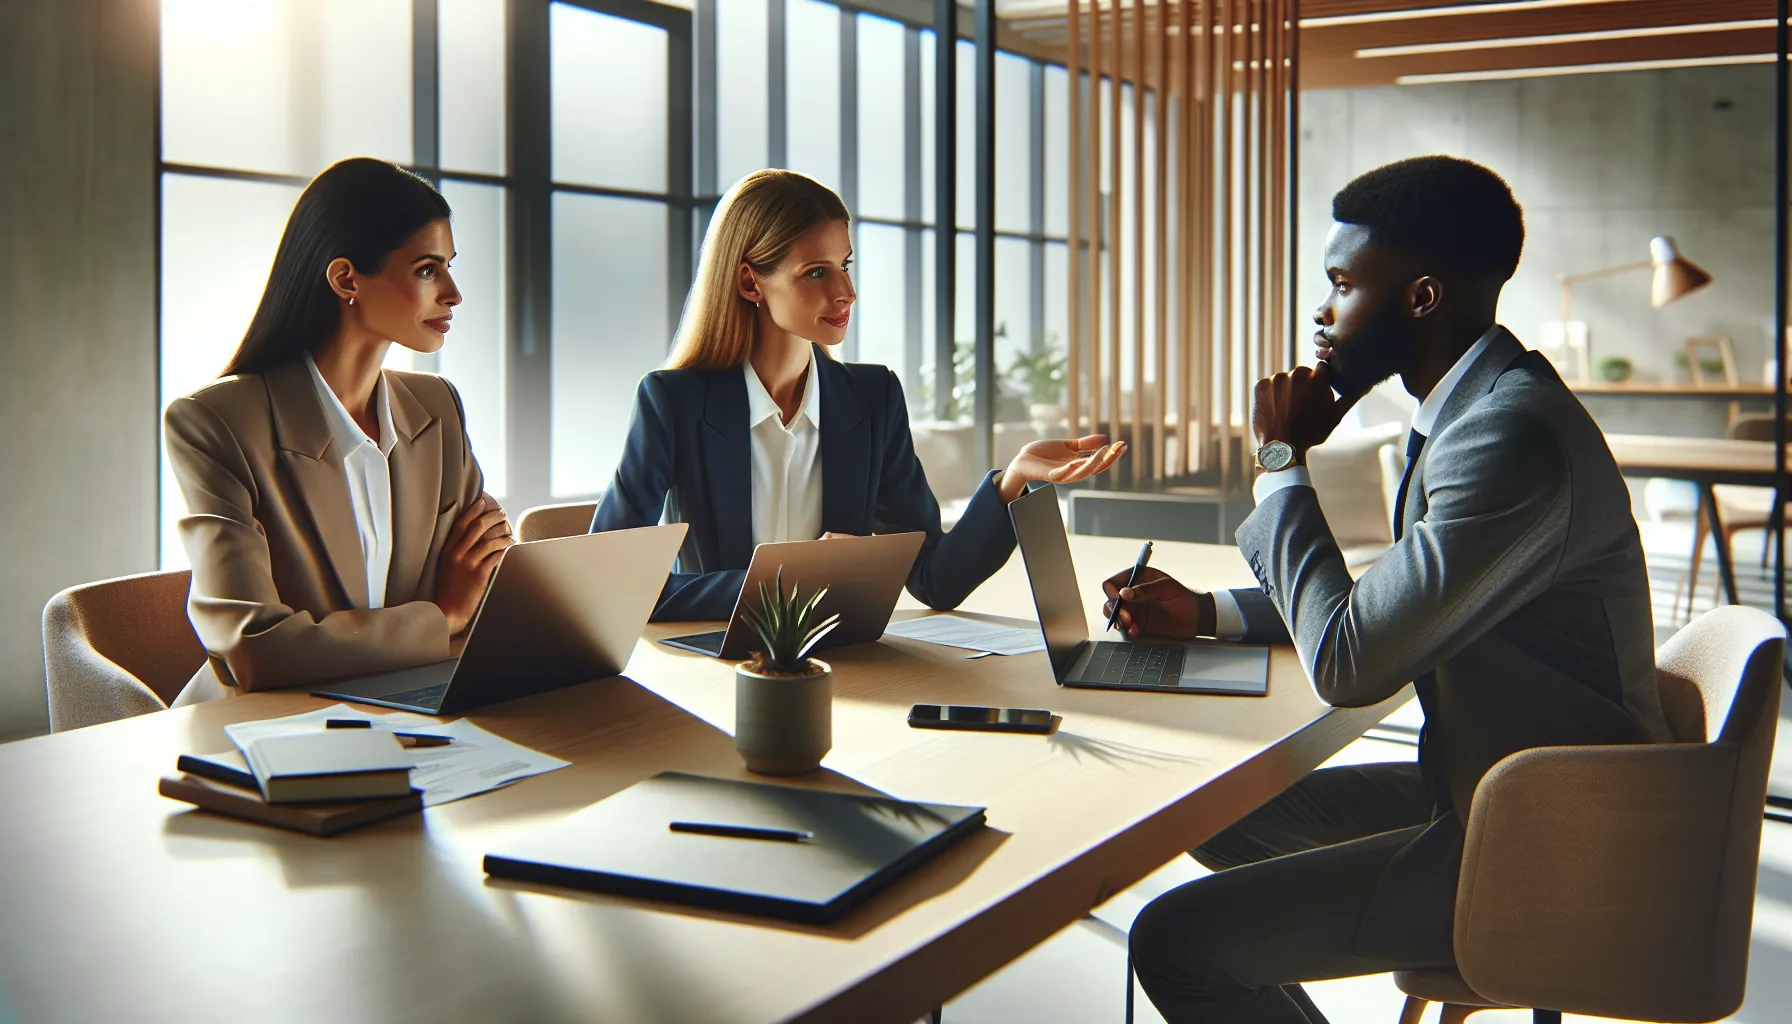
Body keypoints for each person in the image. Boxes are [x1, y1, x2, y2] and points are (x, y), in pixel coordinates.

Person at [1109, 156, 1672, 1023]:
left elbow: (1350, 660)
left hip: (1550, 841)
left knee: (1175, 942)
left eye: (1340, 284)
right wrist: (1206, 612)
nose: (1320, 311)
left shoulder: (1507, 438)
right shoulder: (1474, 410)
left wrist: (1280, 460)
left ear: (1420, 297)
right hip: (1489, 785)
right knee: (1221, 816)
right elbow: (1394, 597)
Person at [592, 168, 1125, 621]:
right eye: (816, 273)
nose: (845, 292)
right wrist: (782, 581)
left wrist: (1011, 484)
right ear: (751, 284)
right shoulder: (674, 402)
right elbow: (613, 580)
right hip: (720, 680)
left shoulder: (872, 398)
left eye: (844, 266)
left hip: (847, 671)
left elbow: (933, 579)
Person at [164, 158, 513, 705]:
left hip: (418, 710)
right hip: (263, 731)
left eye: (448, 266)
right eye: (427, 269)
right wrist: (441, 617)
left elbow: (490, 589)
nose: (453, 293)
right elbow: (256, 648)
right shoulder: (214, 422)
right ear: (346, 278)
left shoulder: (437, 405)